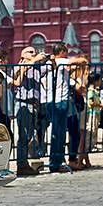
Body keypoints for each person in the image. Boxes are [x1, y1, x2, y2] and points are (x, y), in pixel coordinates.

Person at [11, 46, 48, 175]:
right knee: (24, 135)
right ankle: (21, 165)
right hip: (23, 104)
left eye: (34, 52)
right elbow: (17, 78)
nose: (34, 53)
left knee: (30, 136)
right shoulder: (19, 66)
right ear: (23, 55)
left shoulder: (37, 67)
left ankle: (25, 163)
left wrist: (50, 59)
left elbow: (49, 71)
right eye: (30, 52)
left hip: (35, 105)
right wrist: (33, 61)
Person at [46, 42, 73, 173]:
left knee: (57, 132)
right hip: (59, 100)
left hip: (50, 100)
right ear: (62, 52)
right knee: (59, 132)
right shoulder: (61, 61)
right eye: (67, 51)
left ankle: (57, 160)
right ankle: (55, 163)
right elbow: (83, 59)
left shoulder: (49, 62)